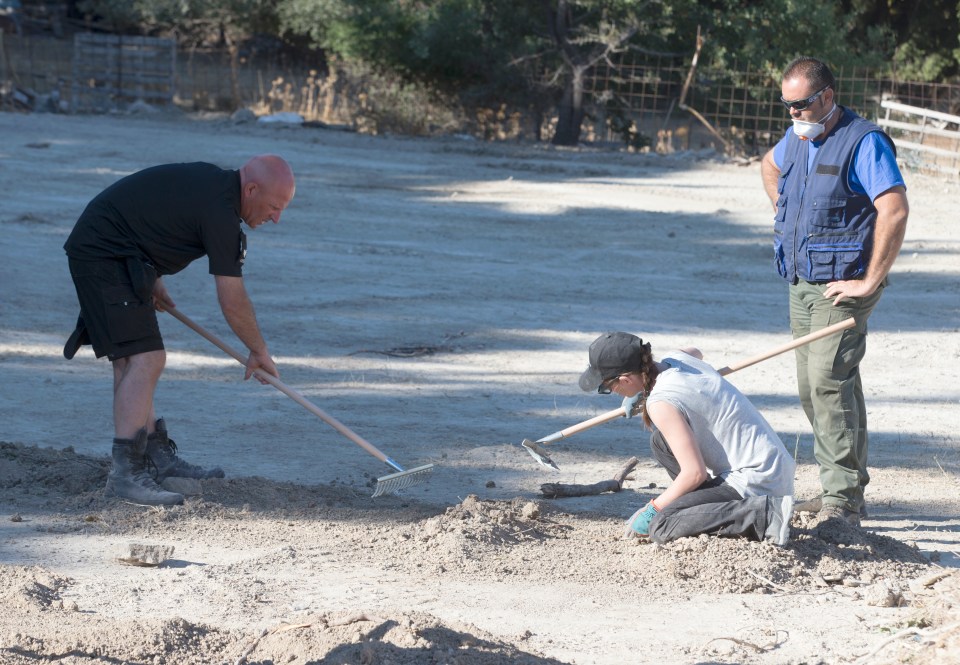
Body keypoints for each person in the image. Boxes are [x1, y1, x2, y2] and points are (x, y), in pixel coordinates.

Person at [63, 155, 296, 507]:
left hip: (121, 252)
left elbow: (151, 213)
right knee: (144, 358)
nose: (277, 218)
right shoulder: (221, 212)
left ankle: (157, 458)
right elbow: (232, 300)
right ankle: (125, 475)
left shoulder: (216, 190)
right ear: (251, 189)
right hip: (104, 252)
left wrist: (151, 275)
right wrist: (258, 351)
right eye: (275, 207)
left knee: (135, 359)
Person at [760, 57, 909, 526]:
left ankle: (841, 501)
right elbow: (768, 166)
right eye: (786, 106)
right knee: (818, 386)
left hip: (843, 286)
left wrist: (869, 279)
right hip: (801, 282)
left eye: (800, 105)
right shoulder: (796, 139)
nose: (793, 115)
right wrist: (789, 220)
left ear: (826, 96)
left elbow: (895, 210)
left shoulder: (864, 142)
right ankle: (847, 486)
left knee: (827, 383)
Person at [579, 332, 796, 545]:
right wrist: (642, 391)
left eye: (607, 387)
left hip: (759, 483)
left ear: (625, 379)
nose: (612, 391)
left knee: (662, 523)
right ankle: (708, 511)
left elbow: (695, 473)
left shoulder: (661, 403)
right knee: (661, 442)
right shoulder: (677, 359)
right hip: (775, 468)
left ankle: (764, 515)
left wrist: (652, 509)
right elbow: (696, 351)